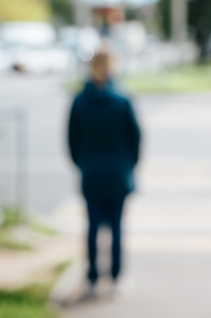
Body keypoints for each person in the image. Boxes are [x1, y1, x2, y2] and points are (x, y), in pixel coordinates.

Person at [68, 47, 142, 297]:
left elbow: (72, 140)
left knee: (92, 226)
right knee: (117, 226)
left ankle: (91, 276)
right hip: (118, 173)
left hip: (91, 172)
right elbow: (136, 138)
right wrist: (129, 165)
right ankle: (117, 276)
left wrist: (83, 163)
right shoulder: (121, 100)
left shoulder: (79, 101)